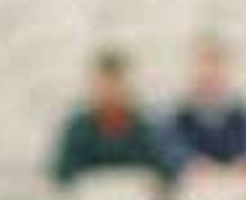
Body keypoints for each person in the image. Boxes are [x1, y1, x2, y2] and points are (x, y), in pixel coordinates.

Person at [52, 49, 175, 186]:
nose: (110, 92)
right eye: (104, 86)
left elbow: (166, 172)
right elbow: (62, 174)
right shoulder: (78, 128)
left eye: (115, 85)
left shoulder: (144, 127)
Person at [167, 38, 246, 175]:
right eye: (204, 65)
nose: (210, 72)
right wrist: (188, 163)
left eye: (216, 65)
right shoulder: (176, 119)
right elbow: (170, 152)